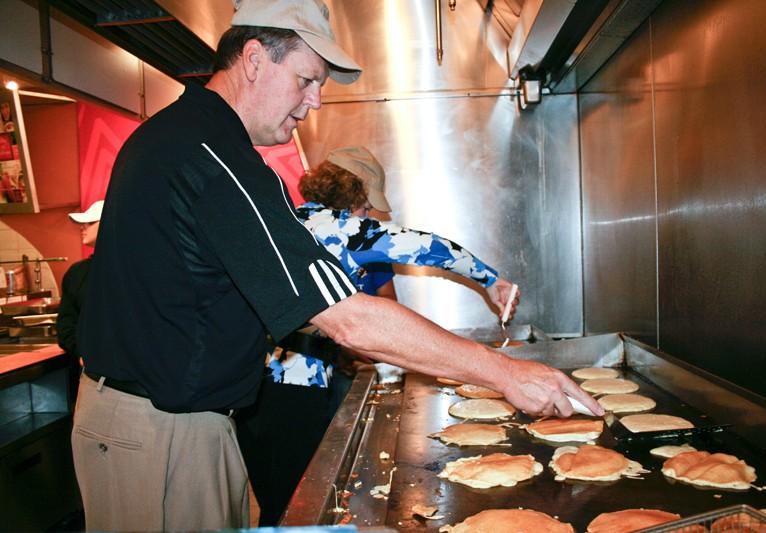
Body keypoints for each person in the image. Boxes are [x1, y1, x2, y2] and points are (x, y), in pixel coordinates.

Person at [71, 0, 603, 531]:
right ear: (254, 59)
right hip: (157, 429)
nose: (314, 102)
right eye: (306, 79)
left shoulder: (196, 140)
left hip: (184, 420)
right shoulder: (209, 154)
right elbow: (342, 315)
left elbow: (277, 302)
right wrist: (504, 373)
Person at [236, 145, 517, 525]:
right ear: (353, 196)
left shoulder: (289, 219)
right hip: (295, 393)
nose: (369, 217)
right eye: (367, 208)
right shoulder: (345, 228)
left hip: (253, 390)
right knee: (297, 511)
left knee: (275, 504)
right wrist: (491, 280)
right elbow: (429, 247)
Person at [56, 200, 104, 405]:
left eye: (90, 222)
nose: (83, 227)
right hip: (89, 378)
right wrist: (81, 352)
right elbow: (66, 324)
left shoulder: (136, 271)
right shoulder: (77, 273)